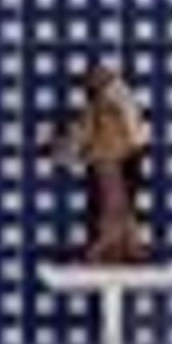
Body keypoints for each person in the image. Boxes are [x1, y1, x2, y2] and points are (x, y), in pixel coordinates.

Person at [45, 59, 153, 262]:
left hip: (116, 160)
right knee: (114, 202)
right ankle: (121, 243)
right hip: (106, 160)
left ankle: (121, 243)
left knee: (117, 203)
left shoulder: (117, 110)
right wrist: (63, 149)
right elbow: (81, 137)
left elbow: (134, 134)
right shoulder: (96, 111)